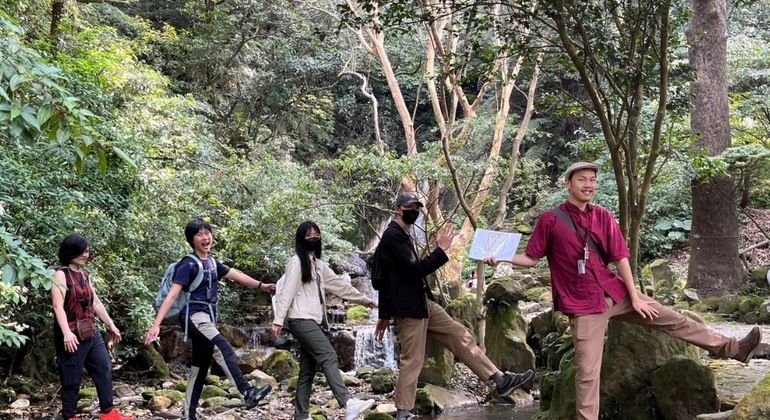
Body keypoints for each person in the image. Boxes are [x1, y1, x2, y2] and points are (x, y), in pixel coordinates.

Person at [483, 161, 764, 420]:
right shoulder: (551, 220)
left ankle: (734, 348)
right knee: (587, 374)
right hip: (582, 305)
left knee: (675, 320)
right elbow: (531, 258)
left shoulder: (603, 216)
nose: (589, 185)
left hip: (615, 293)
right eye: (582, 180)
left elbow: (621, 257)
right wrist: (500, 256)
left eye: (592, 180)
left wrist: (636, 297)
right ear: (568, 184)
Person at [374, 192, 536, 420]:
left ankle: (500, 380)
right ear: (398, 209)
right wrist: (442, 250)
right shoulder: (393, 236)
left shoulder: (401, 234)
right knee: (413, 359)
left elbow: (385, 276)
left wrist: (383, 314)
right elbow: (411, 272)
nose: (416, 211)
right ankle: (403, 413)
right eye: (411, 207)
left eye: (418, 207)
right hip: (409, 308)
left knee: (460, 335)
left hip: (421, 303)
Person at [144, 218, 275, 420]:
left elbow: (236, 275)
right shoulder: (188, 264)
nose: (205, 237)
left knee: (200, 367)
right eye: (199, 234)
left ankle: (189, 415)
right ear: (192, 239)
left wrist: (261, 286)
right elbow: (172, 295)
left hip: (207, 319)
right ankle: (247, 391)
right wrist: (156, 324)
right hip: (194, 316)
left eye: (207, 232)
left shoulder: (212, 263)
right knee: (222, 346)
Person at [272, 221, 377, 420]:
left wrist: (365, 300)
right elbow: (286, 292)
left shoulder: (318, 266)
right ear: (301, 239)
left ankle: (300, 415)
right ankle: (347, 402)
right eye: (308, 234)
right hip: (300, 319)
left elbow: (340, 286)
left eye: (316, 234)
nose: (313, 237)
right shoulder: (296, 262)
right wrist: (278, 320)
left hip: (313, 321)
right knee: (328, 355)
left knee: (307, 370)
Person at [51, 234, 134, 420]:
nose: (85, 254)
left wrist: (111, 325)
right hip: (71, 333)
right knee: (71, 378)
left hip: (90, 331)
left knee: (104, 367)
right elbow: (58, 306)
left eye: (87, 250)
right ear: (69, 251)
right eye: (81, 250)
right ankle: (69, 416)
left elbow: (95, 303)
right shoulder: (60, 274)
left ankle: (109, 412)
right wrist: (66, 333)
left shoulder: (84, 275)